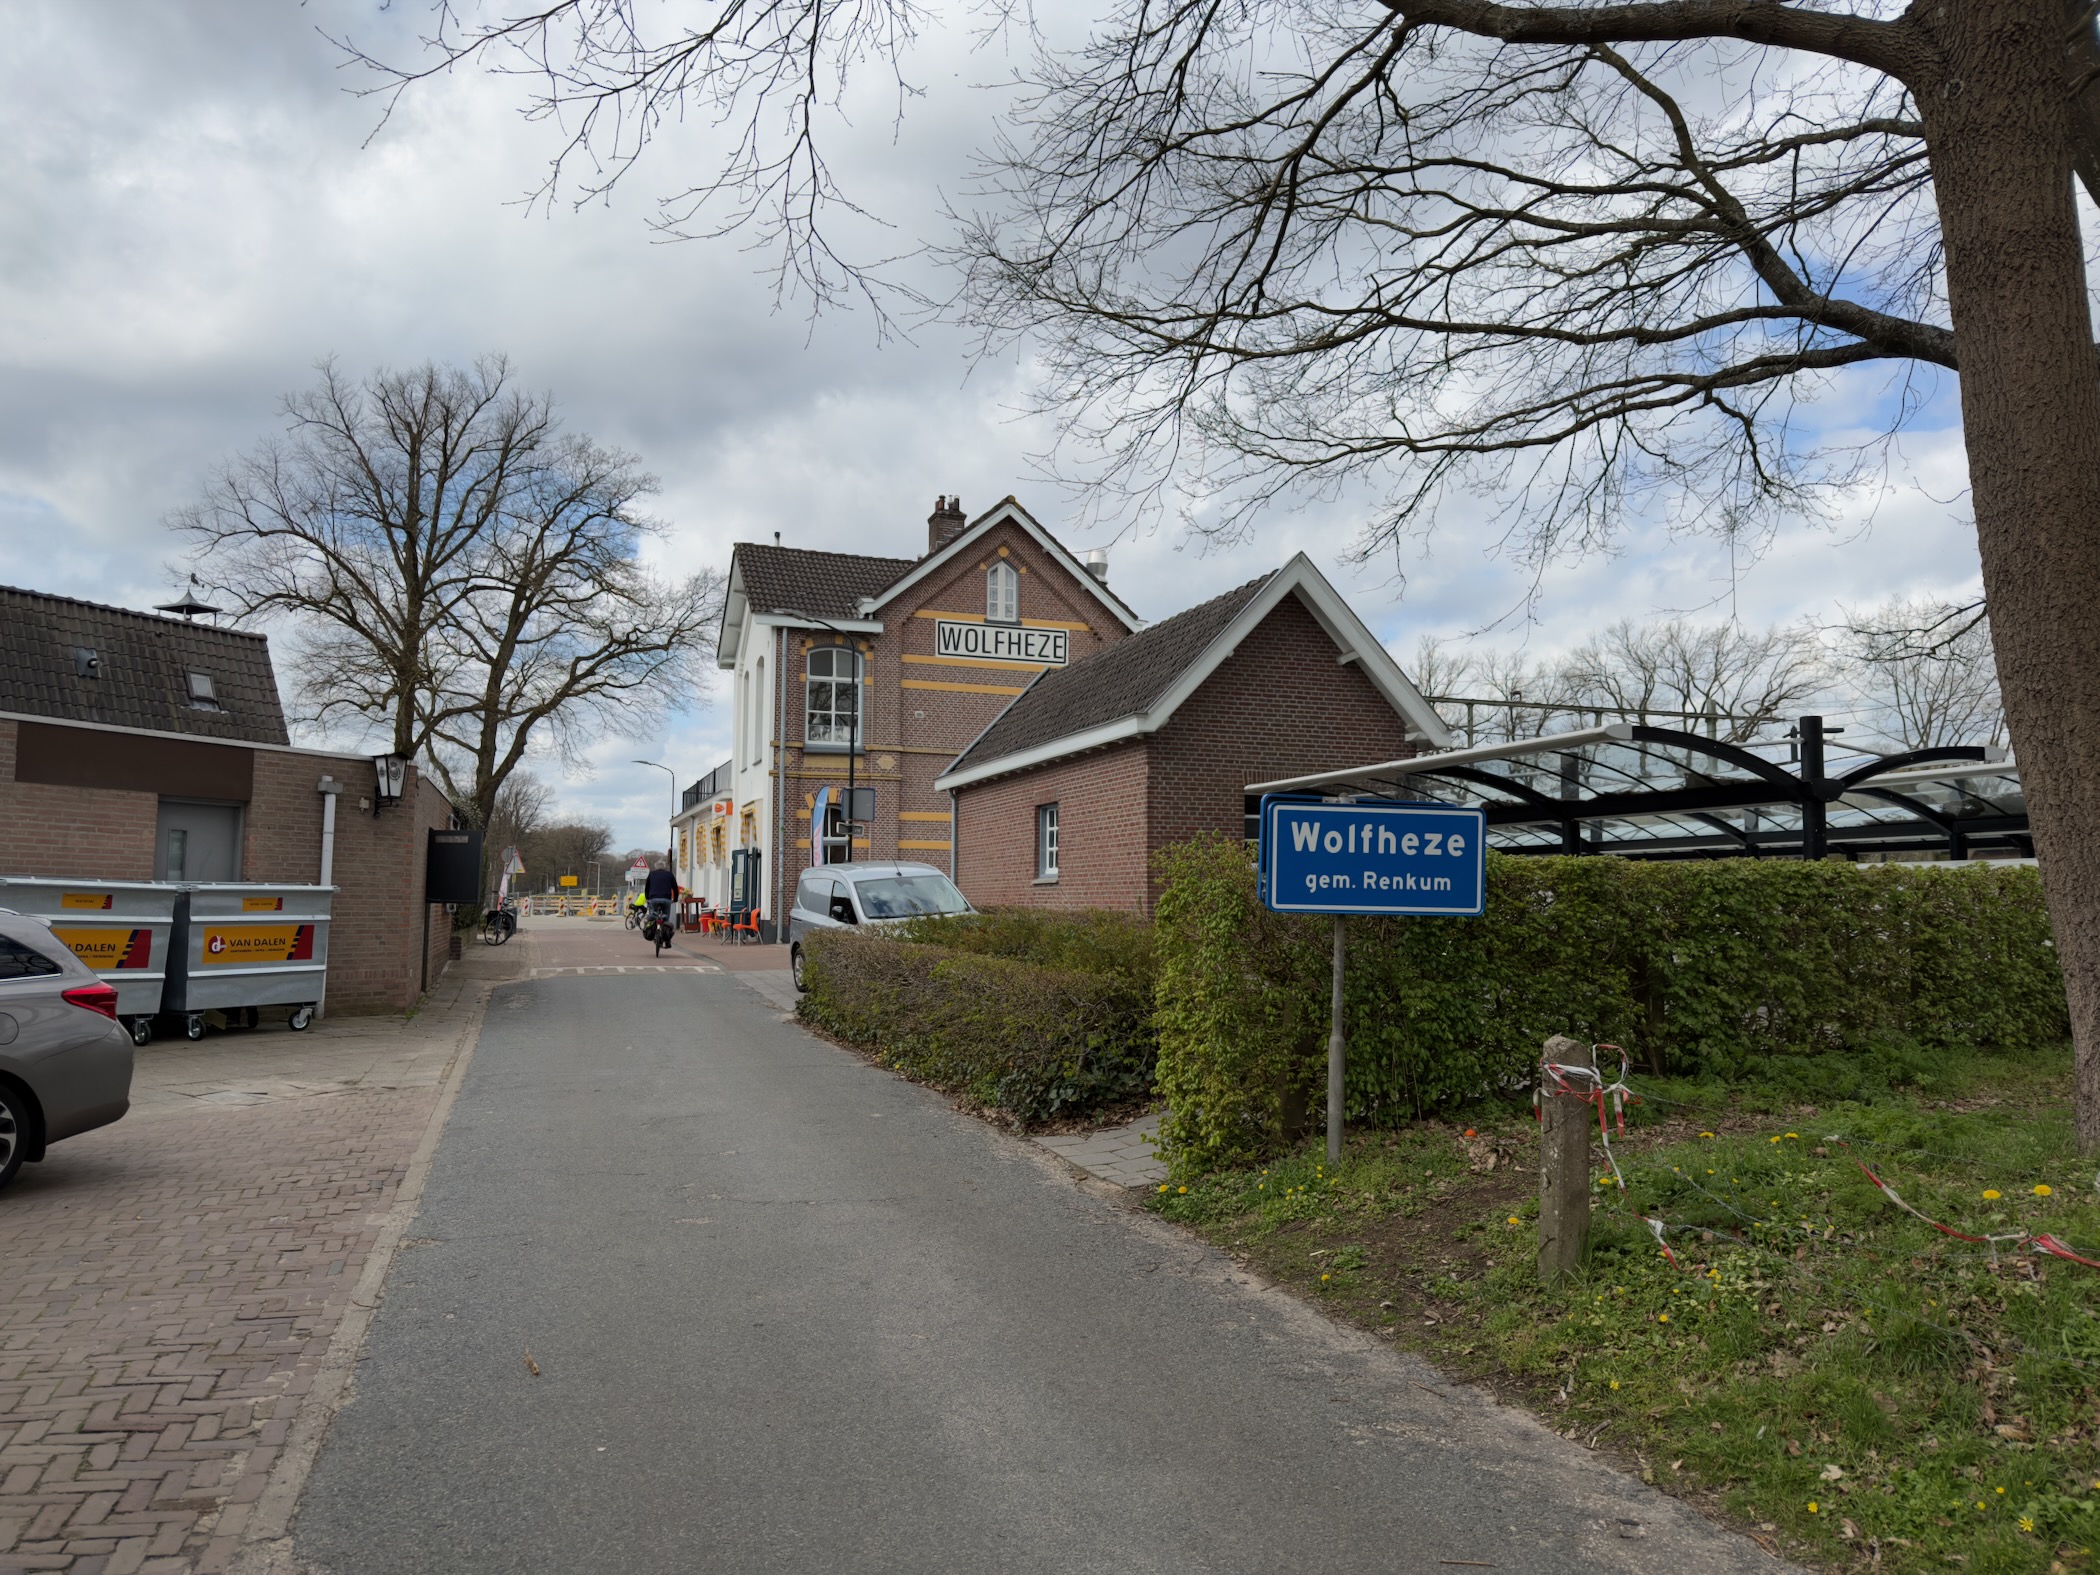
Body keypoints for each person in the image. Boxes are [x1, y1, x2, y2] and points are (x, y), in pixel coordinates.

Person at [643, 858, 680, 934]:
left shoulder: (651, 874)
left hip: (653, 899)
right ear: (664, 867)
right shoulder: (669, 874)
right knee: (666, 917)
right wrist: (675, 899)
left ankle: (648, 920)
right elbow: (675, 888)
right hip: (666, 899)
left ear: (656, 866)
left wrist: (647, 898)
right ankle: (666, 936)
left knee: (653, 913)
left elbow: (647, 887)